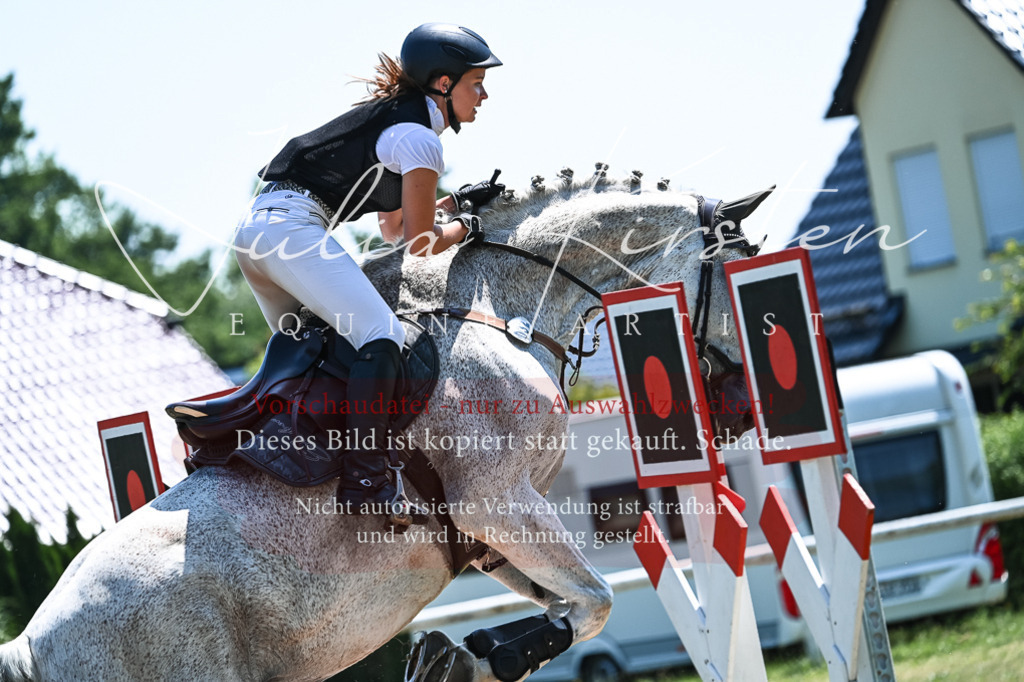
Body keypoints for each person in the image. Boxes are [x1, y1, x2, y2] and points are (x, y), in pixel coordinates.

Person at [233, 23, 505, 524]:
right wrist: (466, 226)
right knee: (382, 336)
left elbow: (395, 229)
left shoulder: (402, 126)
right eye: (476, 83)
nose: (484, 95)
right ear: (443, 85)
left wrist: (452, 204)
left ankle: (290, 463)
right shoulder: (420, 138)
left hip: (258, 232)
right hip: (292, 230)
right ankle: (366, 481)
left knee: (317, 351)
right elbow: (423, 247)